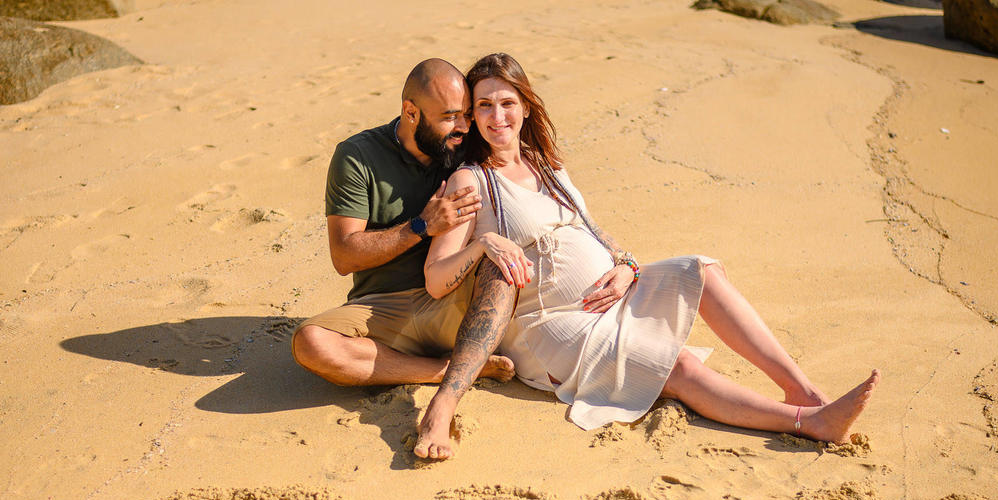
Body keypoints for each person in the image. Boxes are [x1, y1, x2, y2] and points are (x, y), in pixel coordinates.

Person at [413, 53, 878, 460]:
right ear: (471, 116)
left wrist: (626, 266)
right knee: (676, 366)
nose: (498, 116)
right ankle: (805, 422)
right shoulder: (470, 181)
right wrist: (481, 243)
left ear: (526, 107)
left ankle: (804, 391)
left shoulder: (547, 165)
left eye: (507, 102)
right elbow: (436, 278)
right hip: (552, 326)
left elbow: (593, 230)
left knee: (704, 270)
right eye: (485, 105)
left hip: (608, 298)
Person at [291, 58, 517, 388]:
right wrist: (422, 226)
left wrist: (618, 257)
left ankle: (445, 361)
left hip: (452, 300)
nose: (464, 126)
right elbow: (343, 256)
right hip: (380, 308)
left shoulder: (467, 146)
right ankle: (451, 370)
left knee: (498, 272)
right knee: (310, 343)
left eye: (466, 114)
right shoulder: (357, 157)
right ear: (411, 112)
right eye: (449, 117)